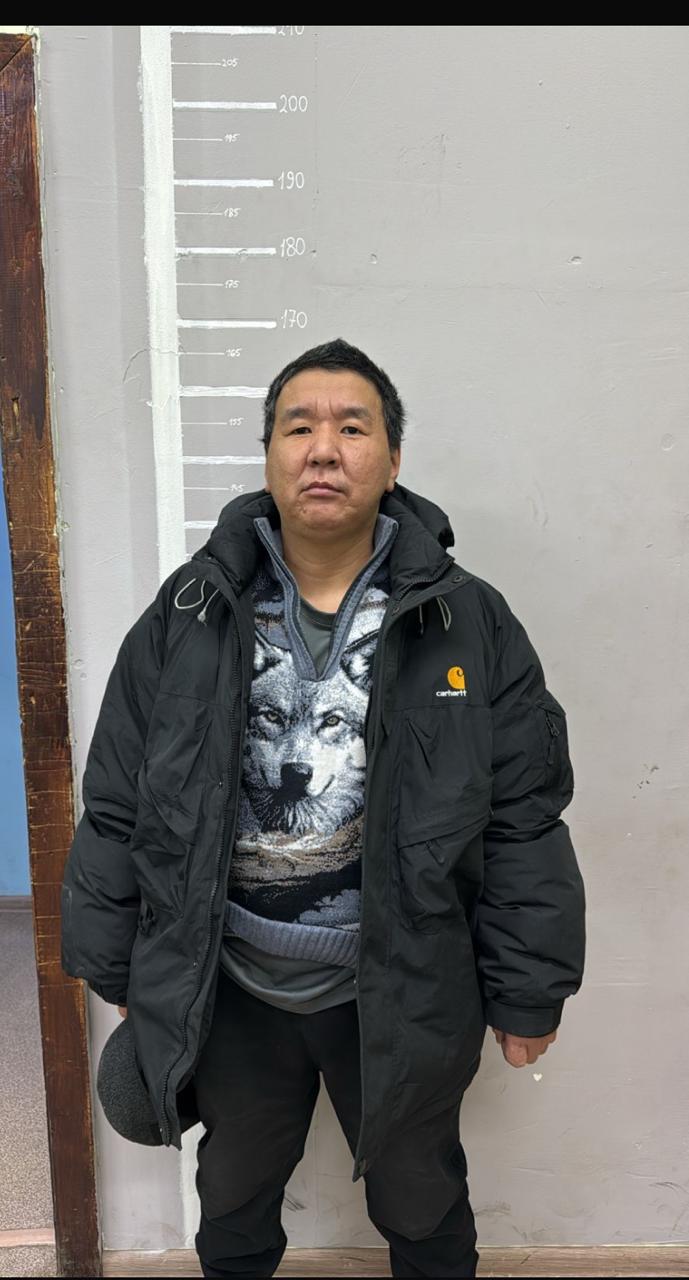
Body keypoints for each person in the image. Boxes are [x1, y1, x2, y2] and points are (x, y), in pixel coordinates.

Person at [61, 337, 586, 1278]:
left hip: (402, 981)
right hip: (232, 983)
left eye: (352, 427)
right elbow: (118, 796)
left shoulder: (466, 620)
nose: (323, 449)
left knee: (422, 1199)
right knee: (232, 1195)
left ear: (392, 458)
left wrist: (527, 986)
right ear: (269, 455)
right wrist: (114, 961)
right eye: (298, 427)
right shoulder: (190, 610)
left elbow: (523, 816)